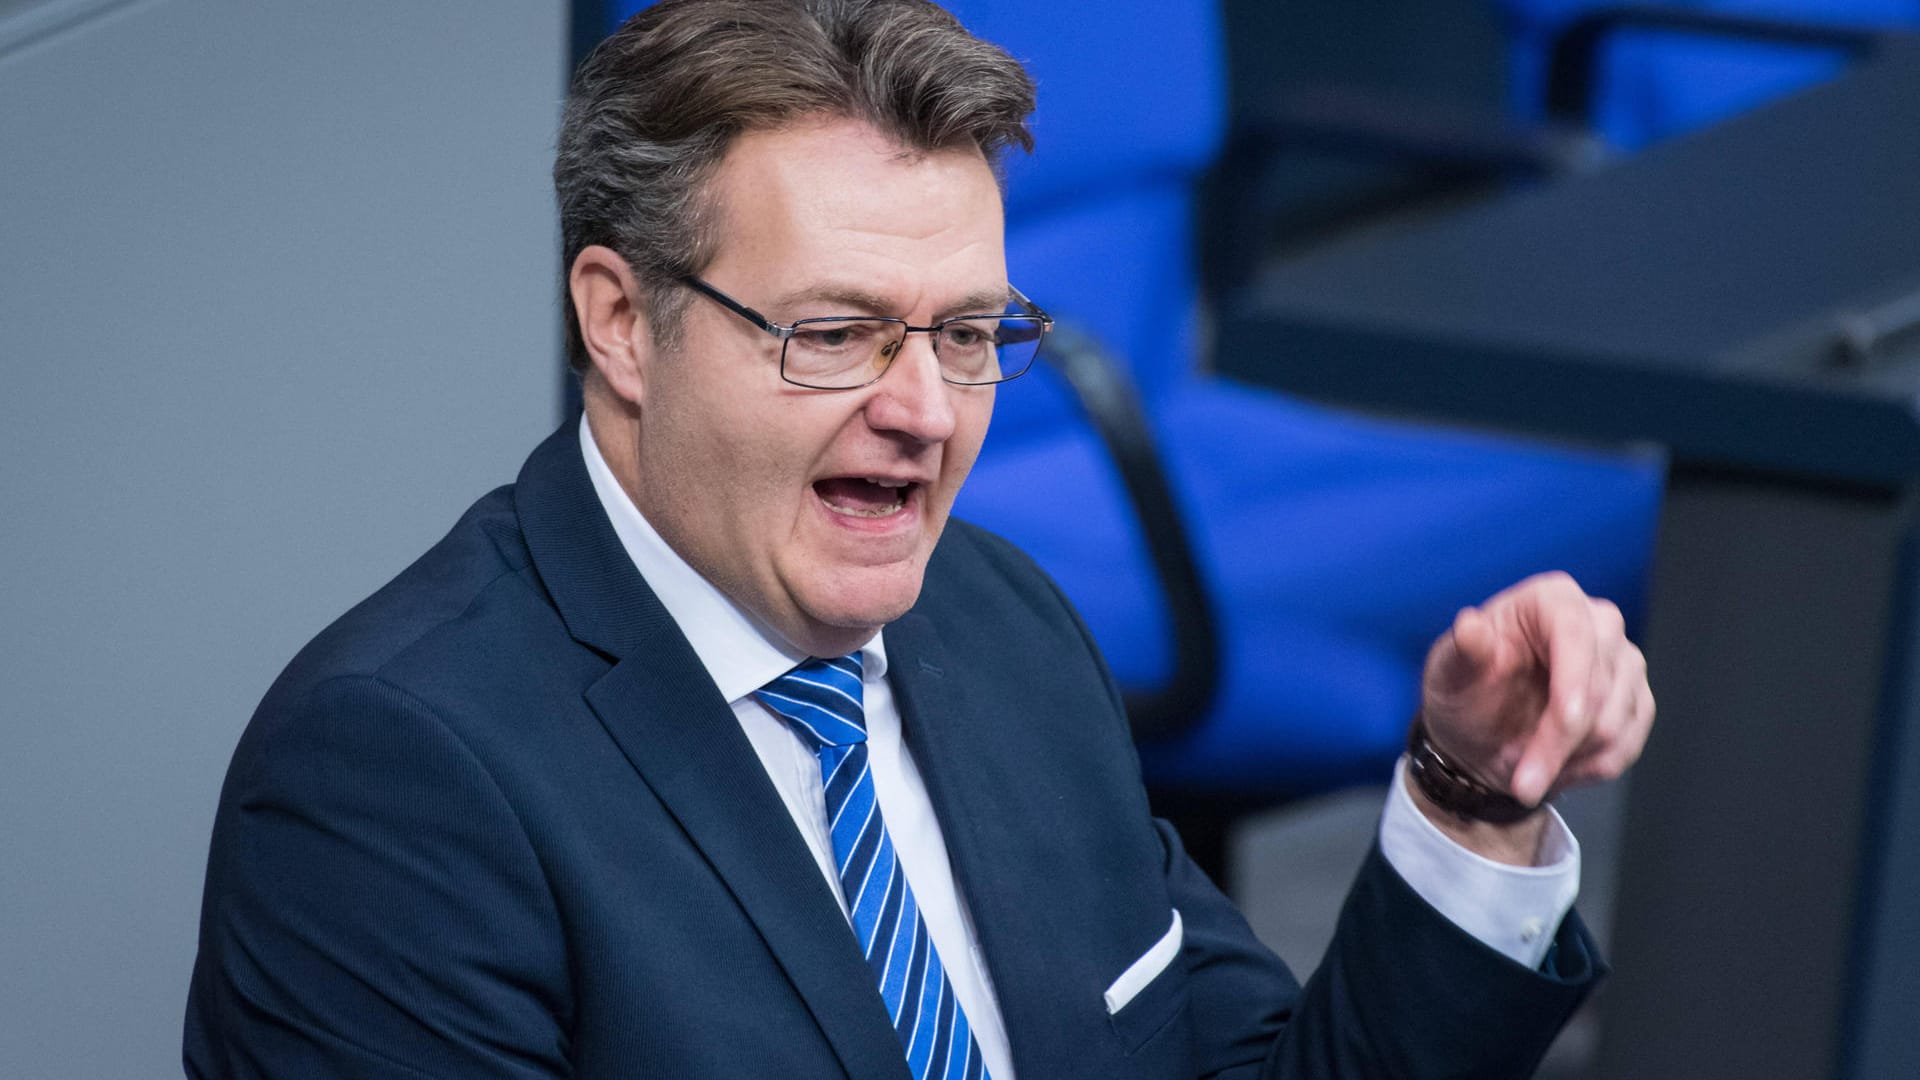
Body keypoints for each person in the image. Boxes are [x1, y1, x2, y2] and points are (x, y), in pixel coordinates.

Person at [183, 1, 1655, 1077]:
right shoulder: (393, 780)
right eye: (836, 334)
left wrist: (1470, 797)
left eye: (967, 334)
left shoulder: (1002, 623)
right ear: (622, 323)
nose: (928, 412)